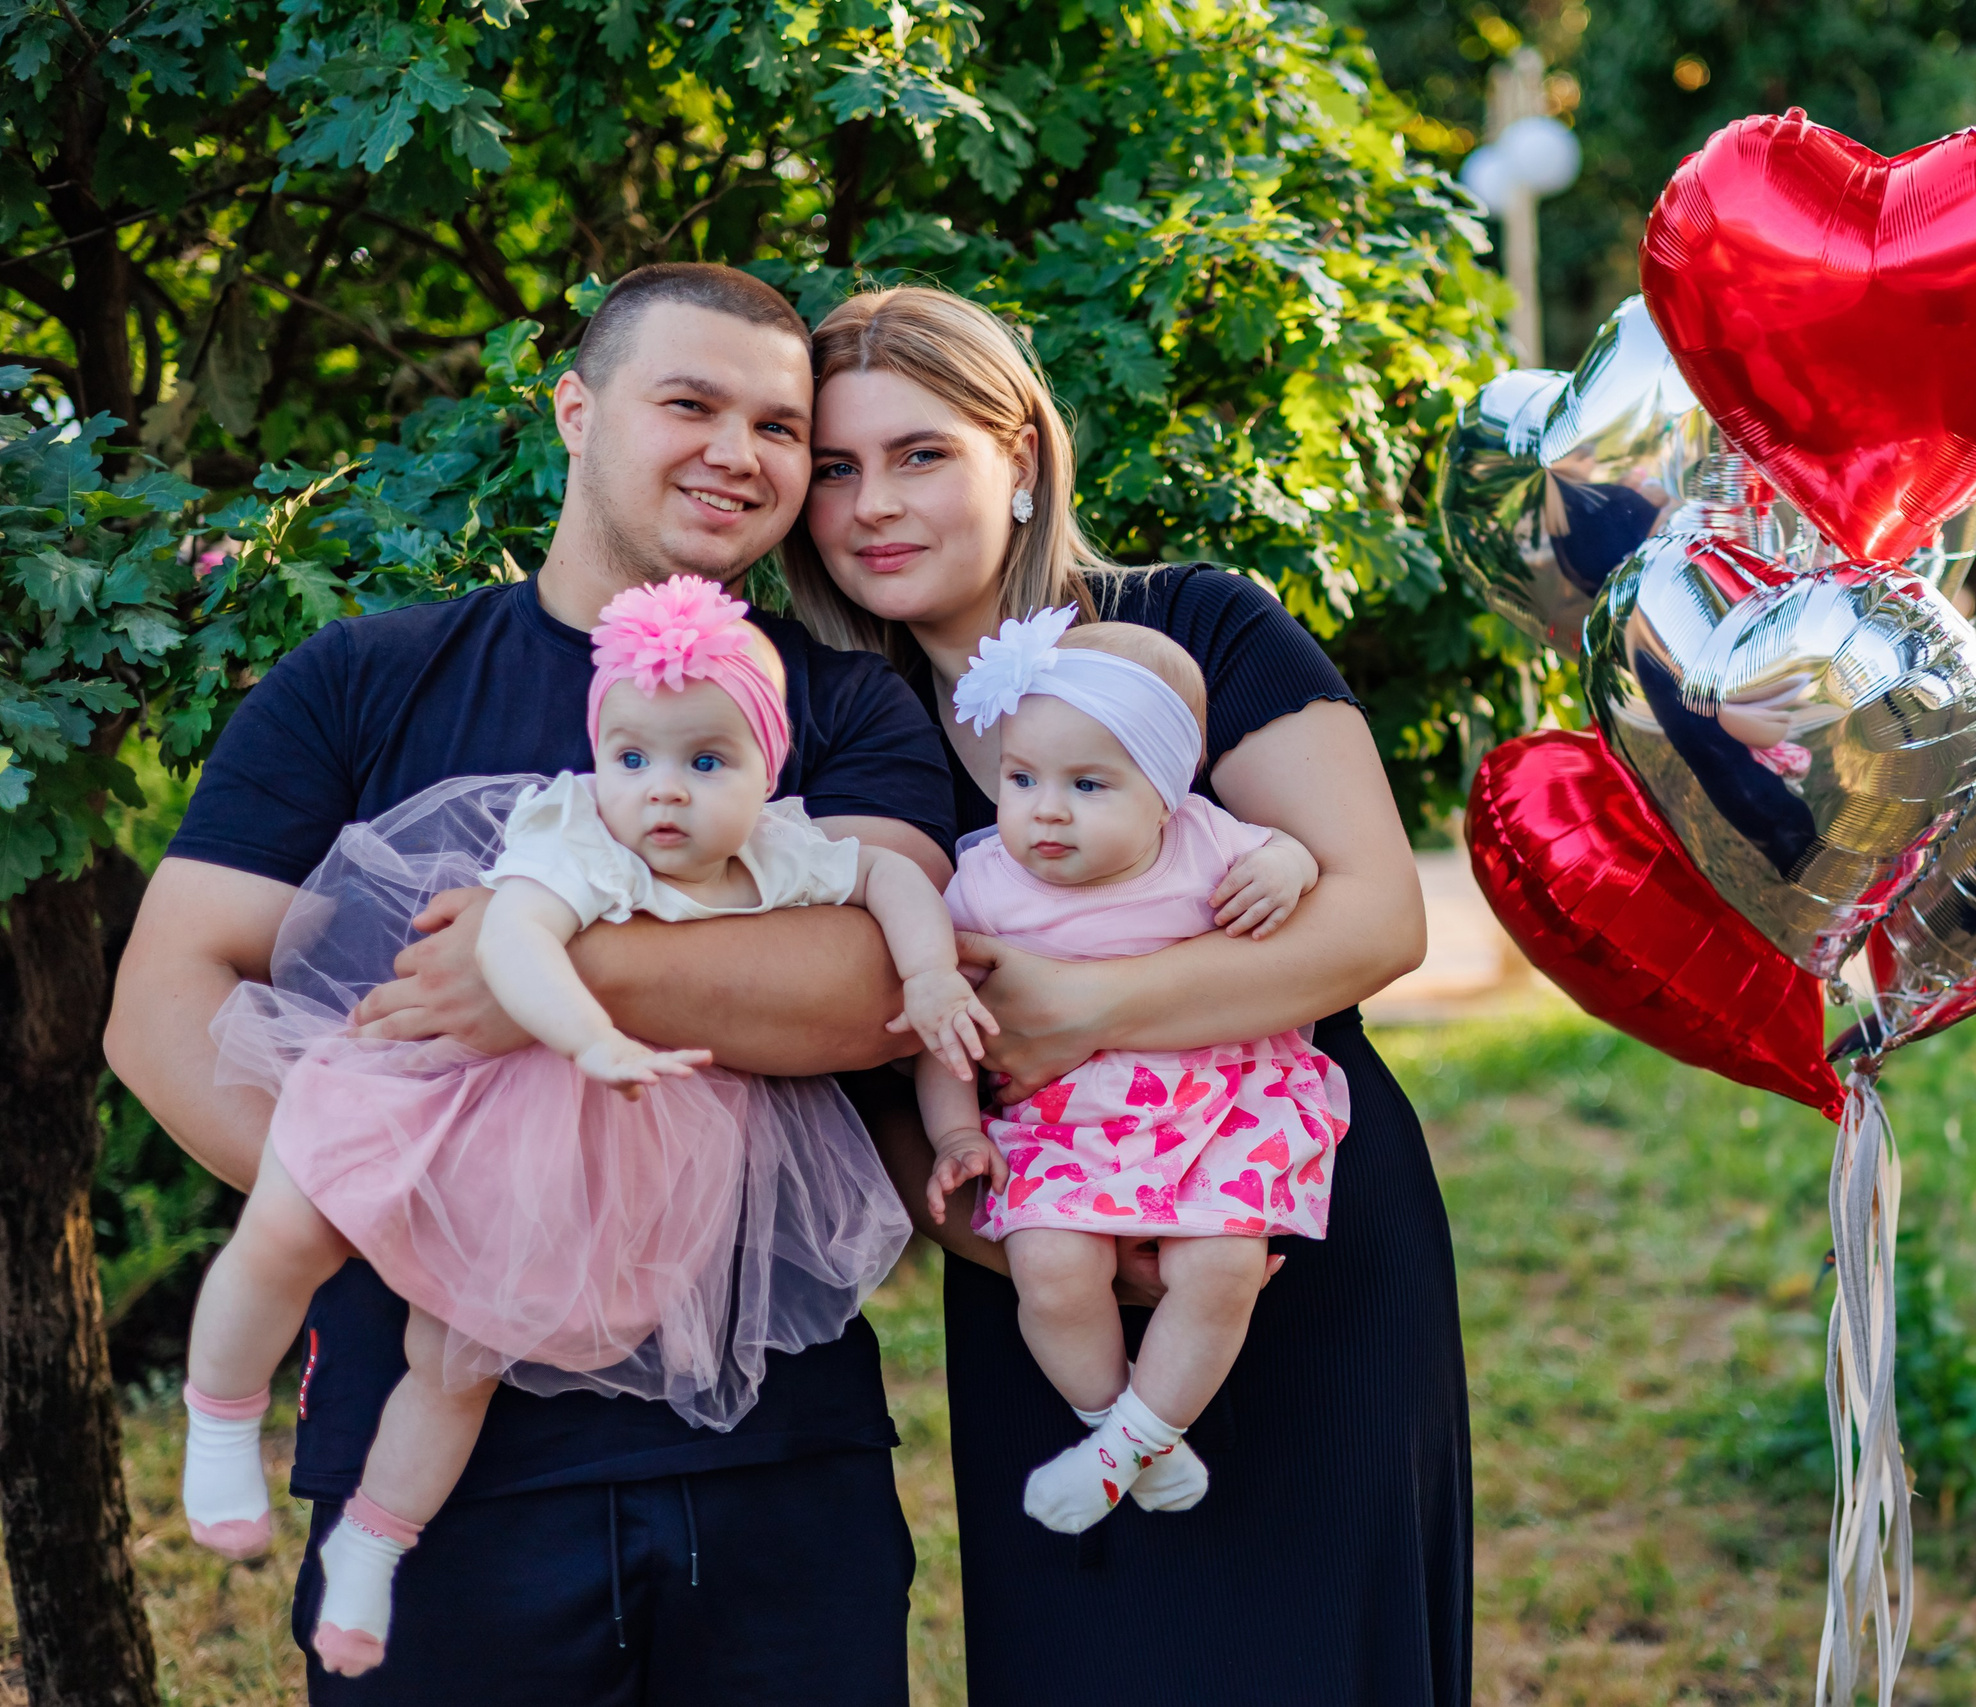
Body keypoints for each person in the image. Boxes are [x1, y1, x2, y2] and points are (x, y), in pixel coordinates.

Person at [106, 264, 950, 1704]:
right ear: (575, 408)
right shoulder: (366, 679)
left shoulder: (837, 699)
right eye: (689, 402)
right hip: (438, 1459)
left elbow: (870, 986)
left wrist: (561, 969)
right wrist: (427, 1217)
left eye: (777, 425)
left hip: (769, 1453)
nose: (737, 452)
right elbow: (162, 1002)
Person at [781, 284, 1471, 1704]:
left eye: (921, 453)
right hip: (1051, 1268)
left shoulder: (1198, 628)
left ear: (1021, 456)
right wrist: (1016, 1236)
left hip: (1285, 1231)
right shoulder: (841, 727)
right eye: (836, 469)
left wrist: (1083, 1010)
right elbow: (864, 1055)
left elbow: (1376, 915)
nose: (872, 505)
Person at [178, 577, 988, 1676]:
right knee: (283, 1228)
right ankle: (220, 1415)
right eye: (633, 758)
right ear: (599, 758)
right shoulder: (579, 835)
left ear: (765, 769)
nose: (664, 793)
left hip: (584, 1168)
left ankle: (375, 1545)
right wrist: (593, 1031)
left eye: (708, 764)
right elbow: (511, 947)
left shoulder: (778, 852)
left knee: (455, 1367)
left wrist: (932, 973)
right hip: (453, 1104)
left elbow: (888, 876)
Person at [917, 613, 1343, 1535]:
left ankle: (1131, 1441)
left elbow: (1295, 856)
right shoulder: (982, 884)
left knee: (1225, 1262)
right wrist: (956, 1131)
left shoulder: (1207, 840)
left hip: (1219, 1102)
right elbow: (942, 1029)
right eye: (1021, 779)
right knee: (1051, 1267)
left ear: (1166, 788)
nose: (1047, 810)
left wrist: (1290, 862)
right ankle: (1119, 1431)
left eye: (1088, 783)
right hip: (1063, 1119)